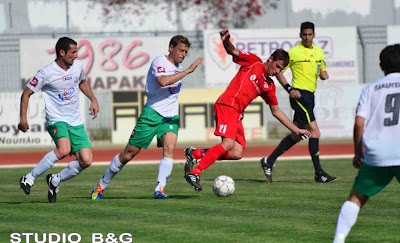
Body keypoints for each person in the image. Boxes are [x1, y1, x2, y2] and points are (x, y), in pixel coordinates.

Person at [183, 28, 311, 191]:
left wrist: (296, 129)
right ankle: (196, 172)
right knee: (228, 143)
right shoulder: (254, 61)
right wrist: (225, 41)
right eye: (277, 66)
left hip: (237, 114)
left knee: (237, 152)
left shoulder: (269, 86)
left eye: (281, 70)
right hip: (227, 105)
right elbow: (232, 51)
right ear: (271, 58)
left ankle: (196, 154)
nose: (277, 71)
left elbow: (276, 111)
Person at [91, 35, 203, 200]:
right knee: (128, 154)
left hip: (170, 117)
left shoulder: (179, 68)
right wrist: (188, 71)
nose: (183, 54)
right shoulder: (159, 62)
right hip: (152, 115)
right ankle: (101, 184)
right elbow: (163, 82)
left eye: (186, 51)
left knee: (170, 147)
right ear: (171, 47)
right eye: (181, 50)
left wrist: (184, 71)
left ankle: (160, 189)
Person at [327, 44, 400, 243]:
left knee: (356, 198)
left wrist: (358, 152)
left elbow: (360, 123)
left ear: (381, 66)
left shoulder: (371, 88)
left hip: (378, 153)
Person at [19, 37, 99, 203]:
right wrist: (23, 120)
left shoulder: (77, 67)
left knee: (86, 160)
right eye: (73, 52)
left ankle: (55, 180)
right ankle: (29, 177)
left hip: (75, 120)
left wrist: (93, 99)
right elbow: (26, 93)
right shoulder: (46, 73)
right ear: (62, 52)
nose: (76, 56)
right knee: (63, 149)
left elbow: (82, 82)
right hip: (56, 119)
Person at [260, 21, 336, 183]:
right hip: (299, 96)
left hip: (311, 96)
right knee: (315, 132)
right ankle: (319, 173)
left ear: (314, 35)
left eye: (310, 34)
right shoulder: (294, 53)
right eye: (304, 34)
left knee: (296, 135)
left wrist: (323, 74)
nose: (307, 37)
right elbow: (279, 71)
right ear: (300, 35)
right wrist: (289, 88)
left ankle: (269, 161)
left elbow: (321, 70)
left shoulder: (319, 52)